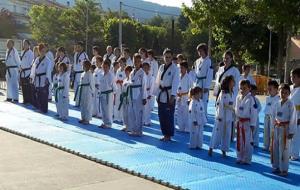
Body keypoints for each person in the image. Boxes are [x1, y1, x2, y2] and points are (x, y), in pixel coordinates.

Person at [155, 49, 180, 141]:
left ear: (172, 57)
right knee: (161, 115)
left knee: (169, 115)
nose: (167, 58)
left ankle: (168, 135)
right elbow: (157, 81)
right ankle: (164, 133)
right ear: (163, 57)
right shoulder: (161, 67)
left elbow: (176, 82)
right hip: (161, 93)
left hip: (169, 94)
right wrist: (156, 94)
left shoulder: (175, 68)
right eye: (166, 57)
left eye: (169, 57)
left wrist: (173, 96)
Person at [271, 84, 296, 176]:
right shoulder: (276, 103)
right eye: (282, 92)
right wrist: (273, 127)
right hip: (277, 127)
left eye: (286, 93)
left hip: (285, 129)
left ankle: (284, 169)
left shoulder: (290, 104)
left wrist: (291, 131)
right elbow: (273, 116)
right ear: (279, 92)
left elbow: (293, 118)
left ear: (289, 93)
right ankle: (276, 166)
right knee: (276, 148)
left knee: (284, 149)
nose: (284, 94)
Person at [209, 76, 235, 157]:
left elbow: (234, 105)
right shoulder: (223, 93)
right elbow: (219, 104)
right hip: (222, 116)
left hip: (229, 116)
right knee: (217, 132)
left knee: (227, 134)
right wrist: (219, 116)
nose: (234, 82)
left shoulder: (233, 93)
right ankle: (211, 148)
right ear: (228, 83)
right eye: (232, 81)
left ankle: (224, 150)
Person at [235, 80, 257, 165]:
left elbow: (254, 113)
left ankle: (247, 159)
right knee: (239, 141)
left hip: (247, 122)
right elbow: (236, 110)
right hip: (240, 121)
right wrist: (237, 120)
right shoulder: (238, 97)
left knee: (247, 141)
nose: (242, 90)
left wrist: (253, 124)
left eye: (244, 88)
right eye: (241, 88)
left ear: (249, 88)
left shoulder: (251, 99)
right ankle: (239, 157)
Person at [127, 53, 147, 136]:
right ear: (133, 61)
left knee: (138, 113)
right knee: (131, 113)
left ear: (140, 62)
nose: (136, 63)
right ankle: (133, 129)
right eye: (135, 61)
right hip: (131, 94)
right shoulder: (132, 72)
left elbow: (144, 85)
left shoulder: (142, 73)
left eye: (138, 61)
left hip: (139, 94)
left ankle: (139, 131)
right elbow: (130, 82)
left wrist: (144, 97)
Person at [30, 43, 52, 113]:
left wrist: (47, 79)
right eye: (41, 51)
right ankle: (39, 108)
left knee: (44, 95)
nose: (43, 52)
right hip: (37, 78)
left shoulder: (48, 60)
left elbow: (48, 71)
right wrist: (32, 77)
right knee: (38, 94)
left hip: (44, 78)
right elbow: (33, 69)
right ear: (39, 51)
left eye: (44, 51)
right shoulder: (37, 59)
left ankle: (44, 109)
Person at [194, 43, 213, 117]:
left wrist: (207, 86)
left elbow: (210, 74)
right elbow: (195, 72)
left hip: (204, 82)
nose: (199, 52)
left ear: (205, 50)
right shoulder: (197, 61)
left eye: (201, 51)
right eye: (198, 51)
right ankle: (197, 116)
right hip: (198, 82)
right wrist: (195, 84)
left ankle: (203, 118)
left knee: (204, 101)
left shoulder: (208, 61)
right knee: (196, 99)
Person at [98, 59, 116, 129]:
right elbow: (100, 84)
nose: (105, 68)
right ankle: (104, 122)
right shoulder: (101, 74)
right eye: (104, 67)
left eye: (106, 67)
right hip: (102, 93)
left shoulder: (111, 75)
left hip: (109, 94)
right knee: (103, 109)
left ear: (109, 67)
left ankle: (108, 124)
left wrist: (113, 94)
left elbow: (114, 86)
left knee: (108, 109)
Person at [263, 80, 280, 151]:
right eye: (268, 89)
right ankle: (266, 145)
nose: (269, 91)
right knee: (266, 132)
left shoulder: (278, 99)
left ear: (276, 89)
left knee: (272, 132)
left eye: (270, 89)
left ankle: (272, 146)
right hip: (267, 116)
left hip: (274, 118)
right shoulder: (268, 98)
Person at [176, 61, 193, 132]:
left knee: (186, 113)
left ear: (186, 68)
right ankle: (180, 127)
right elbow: (176, 86)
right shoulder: (178, 76)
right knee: (179, 112)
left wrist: (184, 94)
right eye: (180, 68)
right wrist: (177, 93)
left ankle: (187, 128)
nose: (181, 69)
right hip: (178, 97)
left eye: (182, 68)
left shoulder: (189, 77)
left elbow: (191, 89)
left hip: (186, 97)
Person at [73, 41, 89, 106]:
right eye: (77, 47)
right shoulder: (75, 54)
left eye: (79, 47)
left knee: (81, 88)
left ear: (82, 47)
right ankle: (77, 102)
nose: (77, 48)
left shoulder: (84, 55)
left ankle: (81, 103)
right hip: (76, 73)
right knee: (75, 88)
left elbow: (87, 65)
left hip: (81, 73)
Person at [290, 68, 300, 161]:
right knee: (289, 135)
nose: (292, 78)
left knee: (296, 137)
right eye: (291, 76)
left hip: (298, 116)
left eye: (294, 77)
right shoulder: (289, 88)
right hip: (288, 115)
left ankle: (295, 154)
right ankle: (289, 152)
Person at [119, 66, 133, 132]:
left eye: (127, 72)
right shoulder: (125, 80)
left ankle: (129, 127)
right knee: (124, 112)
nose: (126, 73)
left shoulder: (131, 80)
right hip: (124, 98)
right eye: (125, 72)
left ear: (130, 72)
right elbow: (122, 89)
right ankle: (125, 125)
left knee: (129, 113)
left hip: (129, 98)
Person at [20, 39, 34, 104]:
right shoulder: (22, 52)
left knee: (27, 87)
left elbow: (31, 64)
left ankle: (29, 100)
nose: (24, 45)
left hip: (28, 71)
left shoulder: (30, 53)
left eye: (26, 44)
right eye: (23, 44)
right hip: (22, 71)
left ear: (29, 45)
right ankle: (25, 100)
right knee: (23, 87)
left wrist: (31, 73)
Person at [113, 57, 126, 123]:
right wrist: (117, 81)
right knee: (117, 102)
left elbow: (127, 79)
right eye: (119, 62)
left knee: (123, 103)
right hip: (118, 88)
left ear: (124, 63)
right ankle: (116, 117)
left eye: (121, 62)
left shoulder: (126, 70)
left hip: (123, 89)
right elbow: (115, 79)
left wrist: (121, 82)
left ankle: (122, 117)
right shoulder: (118, 70)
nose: (120, 64)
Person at [142, 62, 155, 126]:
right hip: (142, 93)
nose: (145, 69)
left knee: (147, 108)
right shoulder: (141, 75)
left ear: (149, 68)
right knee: (142, 108)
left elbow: (152, 86)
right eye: (144, 68)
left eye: (147, 68)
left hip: (148, 92)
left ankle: (147, 121)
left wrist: (150, 94)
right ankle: (142, 120)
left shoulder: (151, 77)